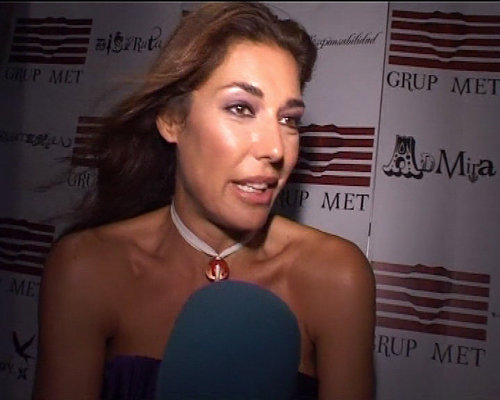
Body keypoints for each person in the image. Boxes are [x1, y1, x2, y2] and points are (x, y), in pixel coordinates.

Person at [32, 2, 376, 400]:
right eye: (241, 108)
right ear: (172, 120)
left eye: (288, 119)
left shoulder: (337, 277)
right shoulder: (86, 268)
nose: (275, 148)